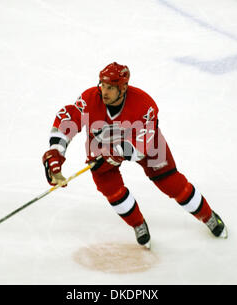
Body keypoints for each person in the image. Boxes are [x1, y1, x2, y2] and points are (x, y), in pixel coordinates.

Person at [42, 62, 227, 248]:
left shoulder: (144, 105)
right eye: (103, 85)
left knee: (172, 184)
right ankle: (138, 224)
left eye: (111, 88)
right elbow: (68, 118)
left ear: (123, 88)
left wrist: (115, 154)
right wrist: (56, 151)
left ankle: (208, 216)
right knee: (110, 189)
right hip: (101, 146)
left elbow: (142, 148)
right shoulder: (90, 97)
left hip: (144, 144)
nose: (104, 92)